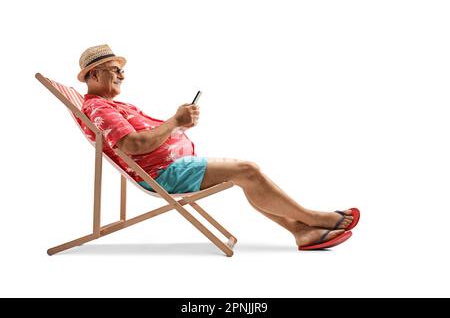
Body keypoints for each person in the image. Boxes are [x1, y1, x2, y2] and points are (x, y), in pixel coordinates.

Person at [77, 44, 360, 251]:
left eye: (122, 71)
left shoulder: (116, 105)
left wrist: (178, 126)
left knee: (247, 177)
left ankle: (301, 232)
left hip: (171, 167)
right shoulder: (98, 108)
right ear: (92, 75)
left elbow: (149, 136)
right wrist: (175, 120)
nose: (123, 76)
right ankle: (311, 217)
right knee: (247, 170)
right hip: (163, 174)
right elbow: (134, 146)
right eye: (115, 71)